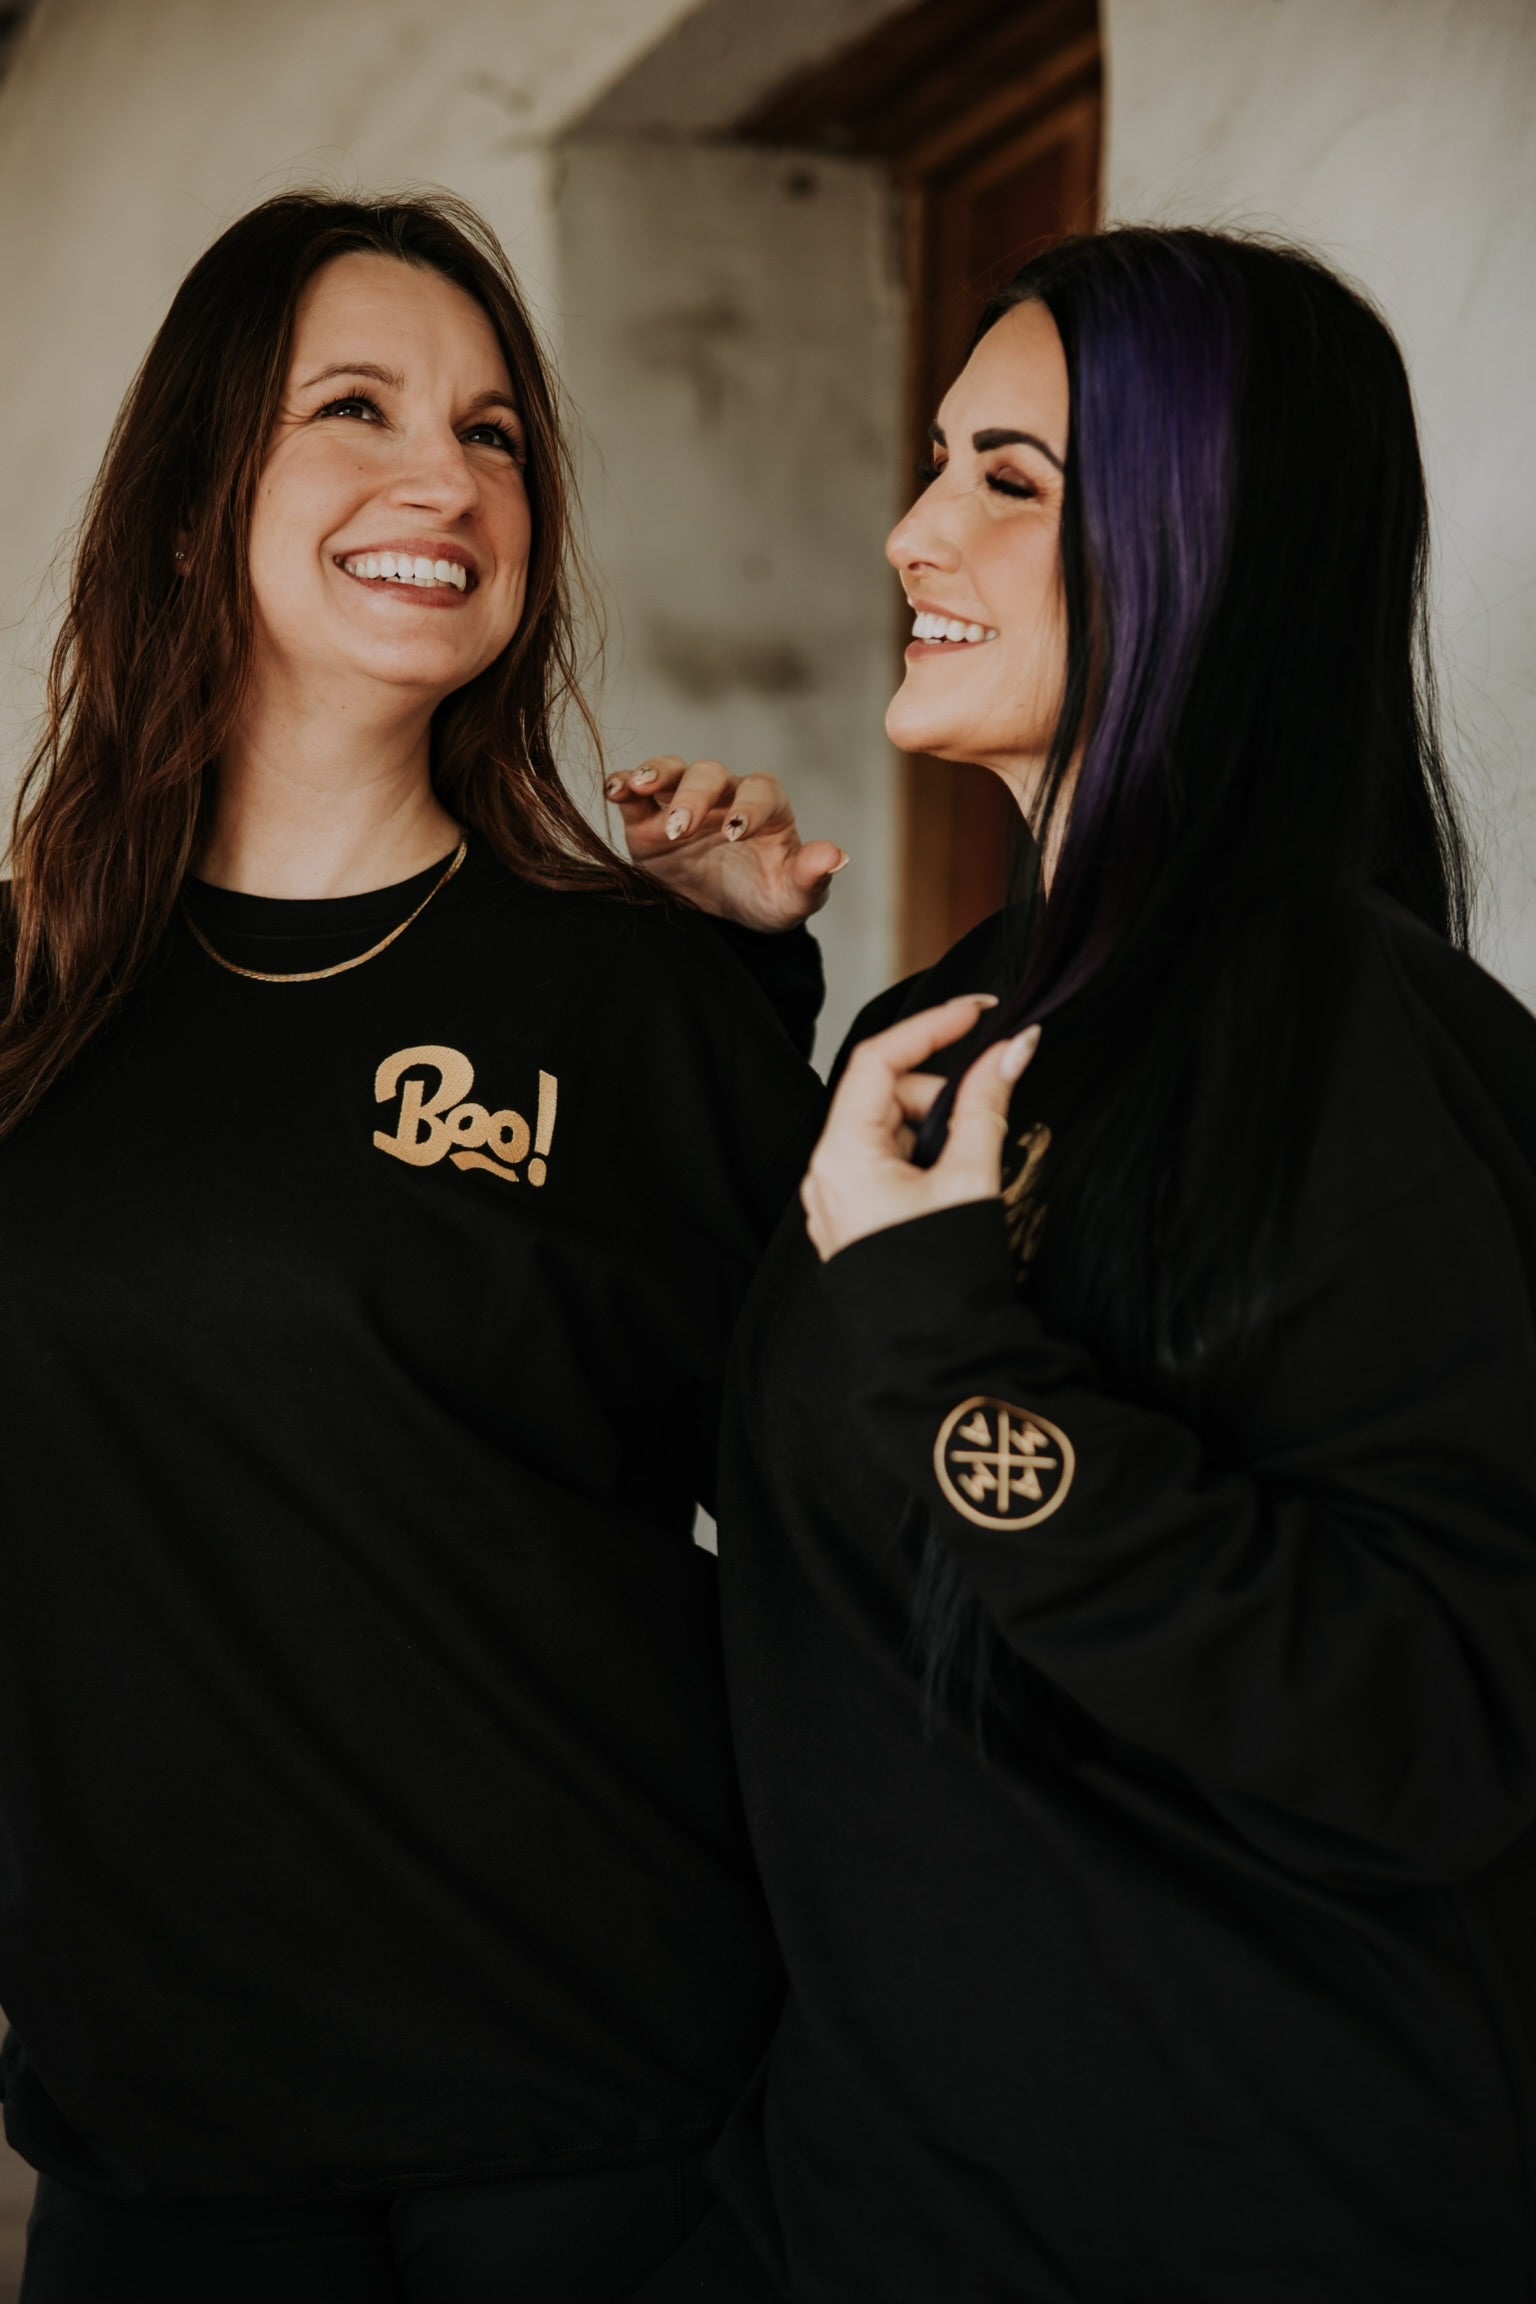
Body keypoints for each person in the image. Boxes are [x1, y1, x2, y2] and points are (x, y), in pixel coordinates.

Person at [620, 229, 1536, 2301]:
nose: (910, 526)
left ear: (1211, 540)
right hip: (884, 2206)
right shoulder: (946, 1033)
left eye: (1011, 478)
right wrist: (715, 1004)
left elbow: (1442, 1723)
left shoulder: (1361, 1047)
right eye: (938, 458)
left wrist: (955, 1355)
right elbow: (792, 1504)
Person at [0, 190, 841, 2303]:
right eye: (353, 408)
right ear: (200, 495)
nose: (443, 480)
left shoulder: (635, 992)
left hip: (588, 2112)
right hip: (160, 2121)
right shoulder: (32, 998)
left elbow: (850, 1499)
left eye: (496, 435)